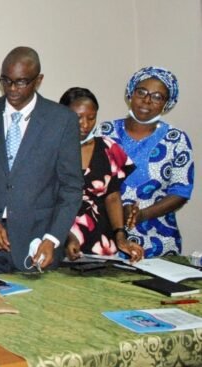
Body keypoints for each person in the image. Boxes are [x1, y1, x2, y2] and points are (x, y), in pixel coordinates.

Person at [0, 46, 83, 273]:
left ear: (38, 80)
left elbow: (71, 188)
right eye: (6, 80)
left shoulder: (62, 120)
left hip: (38, 243)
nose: (12, 89)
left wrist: (53, 238)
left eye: (21, 82)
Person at [99, 67, 194, 257]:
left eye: (157, 97)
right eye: (141, 92)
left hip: (159, 241)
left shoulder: (176, 139)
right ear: (130, 93)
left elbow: (181, 191)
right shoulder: (104, 132)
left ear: (166, 104)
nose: (147, 100)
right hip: (107, 239)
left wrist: (142, 215)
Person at [59, 87, 143, 263]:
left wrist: (120, 235)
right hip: (59, 235)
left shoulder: (107, 147)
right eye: (78, 117)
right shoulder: (50, 150)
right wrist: (66, 236)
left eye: (91, 118)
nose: (85, 124)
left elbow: (112, 196)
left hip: (100, 239)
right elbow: (44, 200)